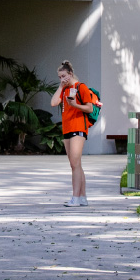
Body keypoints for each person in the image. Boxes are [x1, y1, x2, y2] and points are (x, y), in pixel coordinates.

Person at [55, 60, 99, 206]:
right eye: (60, 77)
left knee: (75, 163)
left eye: (64, 76)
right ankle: (83, 197)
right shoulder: (65, 89)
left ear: (70, 74)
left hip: (78, 128)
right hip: (67, 128)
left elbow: (90, 109)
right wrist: (61, 86)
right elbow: (53, 102)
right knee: (76, 164)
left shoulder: (81, 87)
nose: (62, 79)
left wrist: (75, 105)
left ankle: (75, 197)